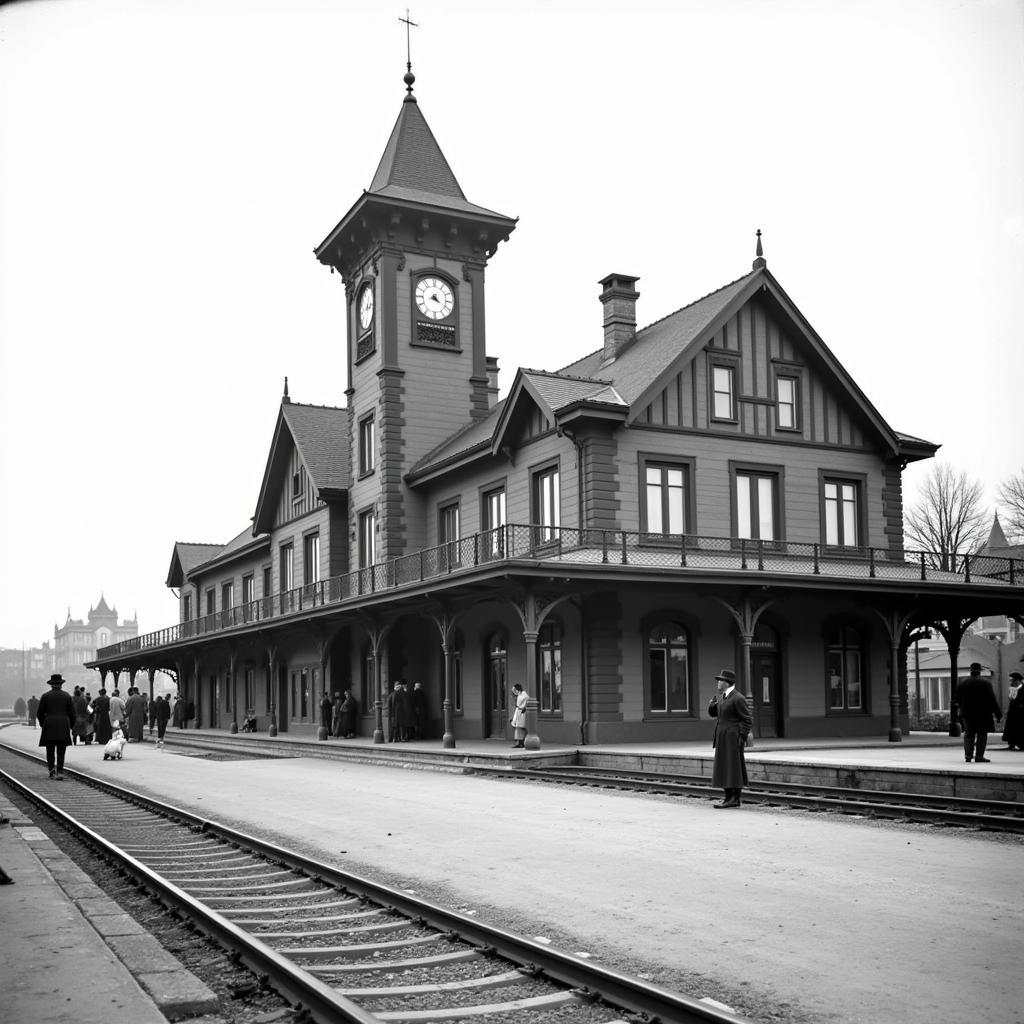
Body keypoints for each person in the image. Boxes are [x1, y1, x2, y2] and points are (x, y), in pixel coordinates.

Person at [708, 668, 752, 808]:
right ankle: (728, 797)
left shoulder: (738, 698)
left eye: (720, 680)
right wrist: (712, 706)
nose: (718, 683)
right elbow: (716, 714)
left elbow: (747, 719)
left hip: (733, 737)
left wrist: (742, 737)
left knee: (734, 767)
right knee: (723, 766)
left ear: (727, 683)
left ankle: (735, 799)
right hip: (722, 737)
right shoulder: (722, 697)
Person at [955, 662, 1002, 763]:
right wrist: (998, 713)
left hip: (967, 714)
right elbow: (992, 700)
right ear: (980, 671)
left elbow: (957, 699)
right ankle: (979, 756)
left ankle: (968, 755)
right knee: (982, 735)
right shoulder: (986, 683)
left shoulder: (963, 683)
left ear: (970, 671)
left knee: (968, 734)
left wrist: (961, 710)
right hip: (983, 714)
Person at [36, 673, 76, 780]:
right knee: (61, 750)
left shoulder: (45, 696)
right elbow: (72, 714)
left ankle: (51, 771)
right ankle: (60, 771)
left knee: (50, 750)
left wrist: (43, 723)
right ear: (61, 684)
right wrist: (71, 726)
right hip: (63, 724)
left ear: (51, 685)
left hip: (49, 724)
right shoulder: (67, 696)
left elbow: (39, 713)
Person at [1001, 670, 1024, 751]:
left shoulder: (1022, 689)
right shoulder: (1013, 689)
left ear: (1017, 680)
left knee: (1018, 728)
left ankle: (1019, 744)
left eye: (1011, 680)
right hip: (1013, 713)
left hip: (1020, 713)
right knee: (1011, 727)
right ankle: (1012, 743)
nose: (1010, 682)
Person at [510, 683, 529, 748]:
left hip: (522, 712)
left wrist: (524, 708)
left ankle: (522, 742)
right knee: (518, 727)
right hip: (519, 711)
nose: (514, 692)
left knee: (521, 727)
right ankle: (519, 742)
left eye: (515, 690)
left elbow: (525, 703)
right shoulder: (520, 695)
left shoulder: (524, 695)